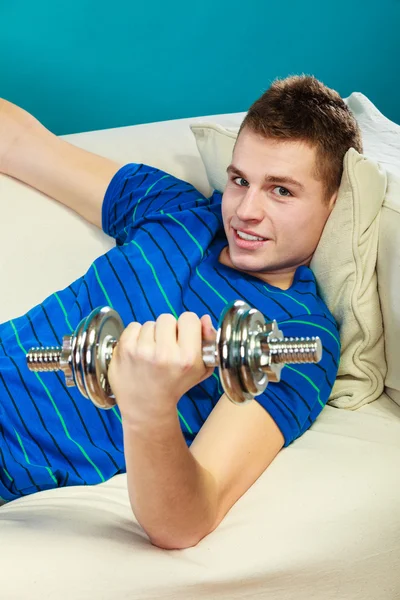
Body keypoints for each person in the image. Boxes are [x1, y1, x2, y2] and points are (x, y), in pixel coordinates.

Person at [0, 75, 362, 549]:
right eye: (240, 180)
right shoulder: (175, 210)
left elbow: (186, 521)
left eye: (281, 191)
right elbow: (20, 142)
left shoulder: (293, 338)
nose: (245, 211)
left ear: (333, 202)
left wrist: (149, 408)